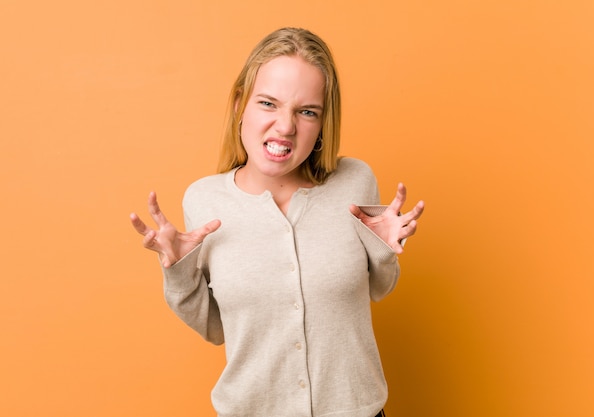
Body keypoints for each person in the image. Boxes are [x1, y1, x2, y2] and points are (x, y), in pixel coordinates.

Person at [130, 27, 424, 417]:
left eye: (306, 112)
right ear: (240, 104)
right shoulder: (204, 200)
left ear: (322, 124)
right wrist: (179, 274)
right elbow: (217, 329)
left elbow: (378, 290)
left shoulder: (355, 181)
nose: (286, 127)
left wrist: (383, 252)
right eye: (268, 103)